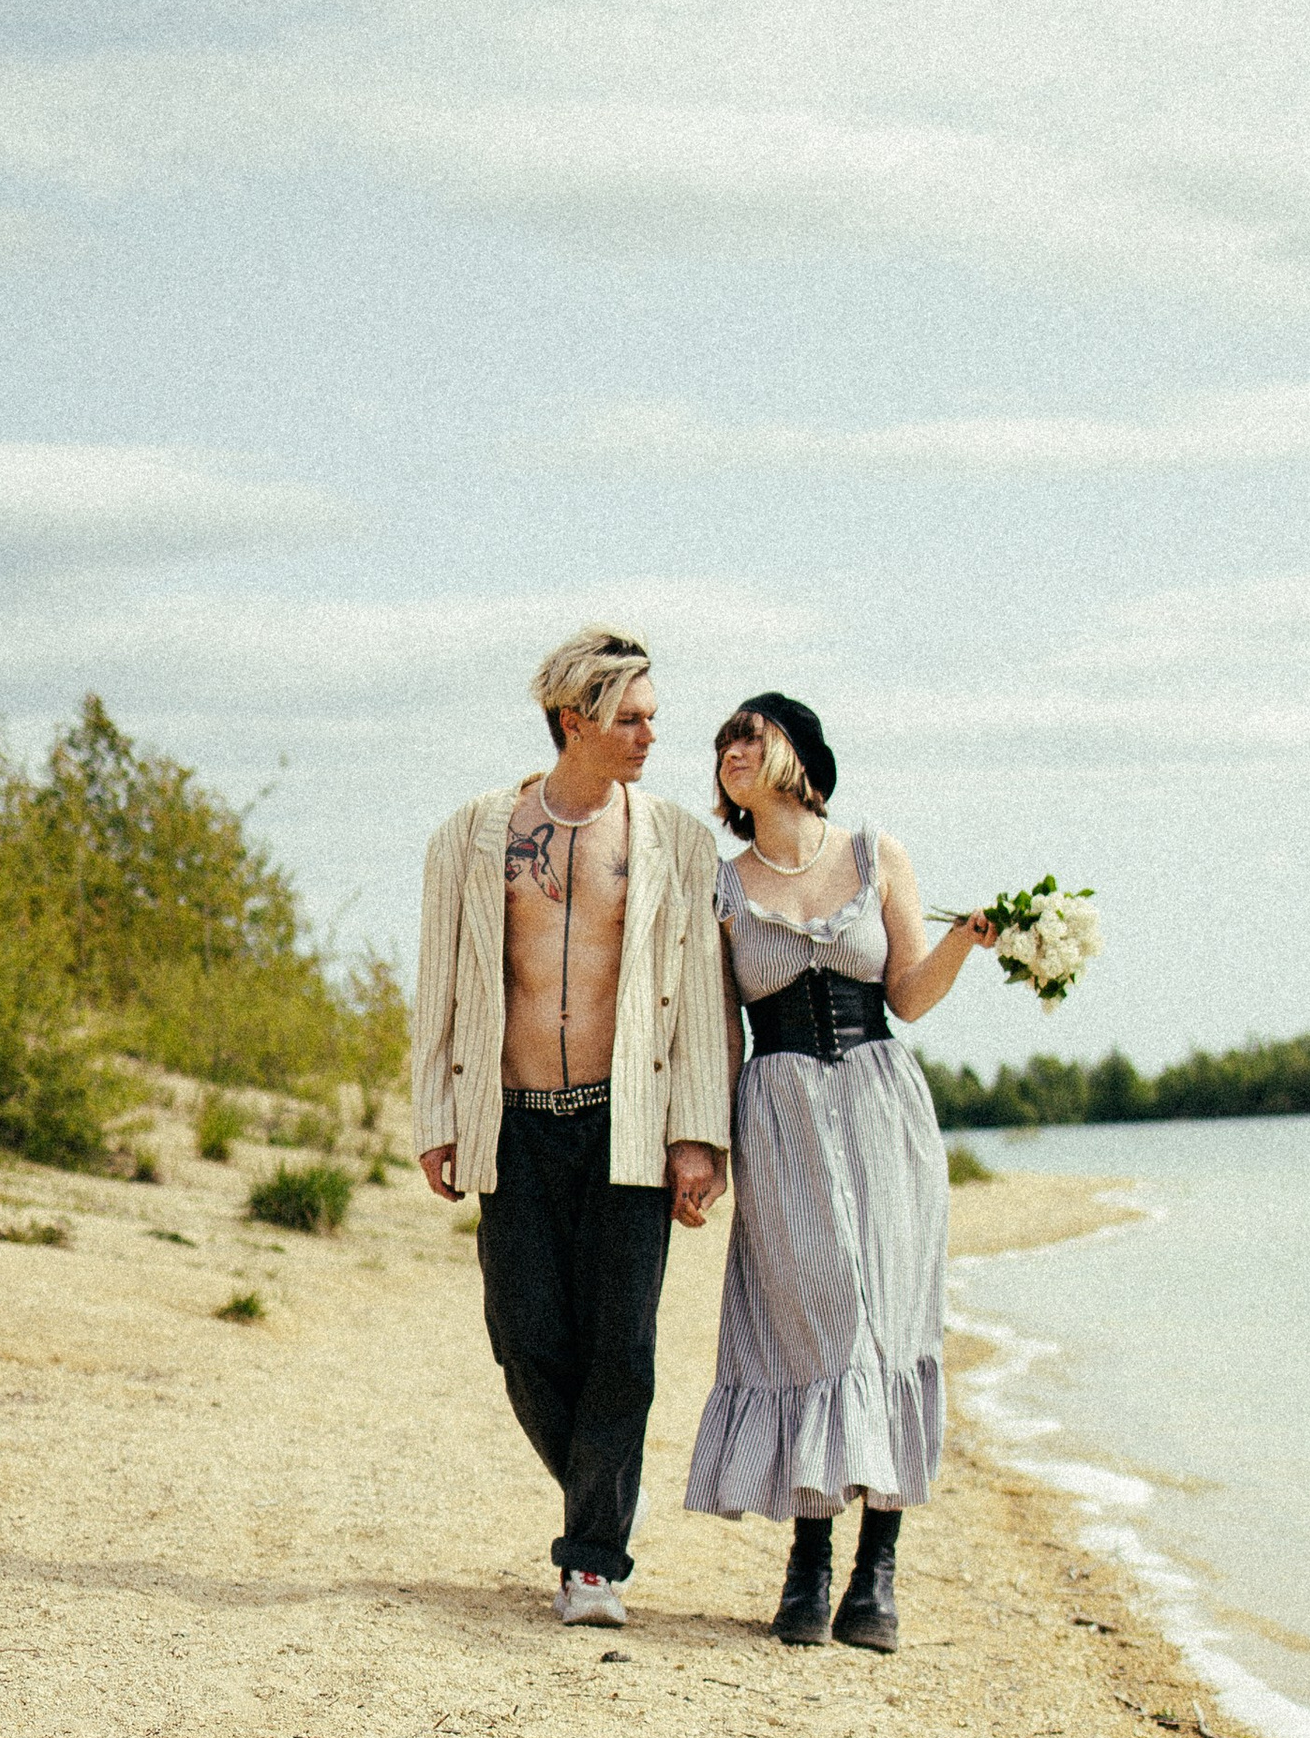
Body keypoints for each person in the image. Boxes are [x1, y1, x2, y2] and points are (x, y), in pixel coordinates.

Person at [413, 629, 731, 1627]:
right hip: (510, 1121)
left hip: (626, 1123)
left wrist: (700, 1137)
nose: (649, 735)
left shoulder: (676, 840)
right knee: (524, 1339)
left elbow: (703, 1003)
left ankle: (592, 1558)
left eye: (650, 718)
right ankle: (598, 1491)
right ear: (574, 721)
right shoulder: (473, 834)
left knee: (622, 1354)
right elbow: (440, 987)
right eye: (630, 718)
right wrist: (436, 1118)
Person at [682, 694, 996, 1652]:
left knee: (889, 1323)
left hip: (883, 1110)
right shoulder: (721, 883)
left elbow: (907, 994)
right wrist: (707, 1149)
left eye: (751, 734)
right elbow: (714, 1030)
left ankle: (878, 1572)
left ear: (800, 755)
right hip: (779, 1118)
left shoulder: (873, 853)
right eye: (723, 743)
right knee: (814, 1325)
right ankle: (810, 1559)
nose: (733, 751)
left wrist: (965, 942)